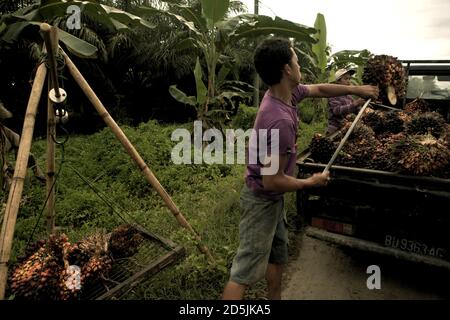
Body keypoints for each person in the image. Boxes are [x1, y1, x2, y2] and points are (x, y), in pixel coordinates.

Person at [221, 37, 378, 300]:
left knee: (277, 256)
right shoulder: (278, 119)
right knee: (244, 273)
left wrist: (359, 89)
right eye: (296, 59)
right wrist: (310, 182)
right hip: (262, 200)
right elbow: (272, 181)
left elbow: (320, 89)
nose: (299, 63)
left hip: (273, 200)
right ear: (287, 69)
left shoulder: (288, 93)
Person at [0, 100, 45, 191]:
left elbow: (16, 139)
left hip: (6, 167)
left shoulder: (3, 129)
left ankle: (42, 179)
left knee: (29, 155)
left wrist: (20, 155)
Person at [327, 68, 366, 134]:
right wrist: (355, 104)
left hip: (347, 128)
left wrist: (362, 106)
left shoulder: (349, 97)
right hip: (335, 128)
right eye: (346, 79)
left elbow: (355, 109)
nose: (348, 81)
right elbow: (336, 110)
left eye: (349, 79)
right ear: (338, 81)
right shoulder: (333, 94)